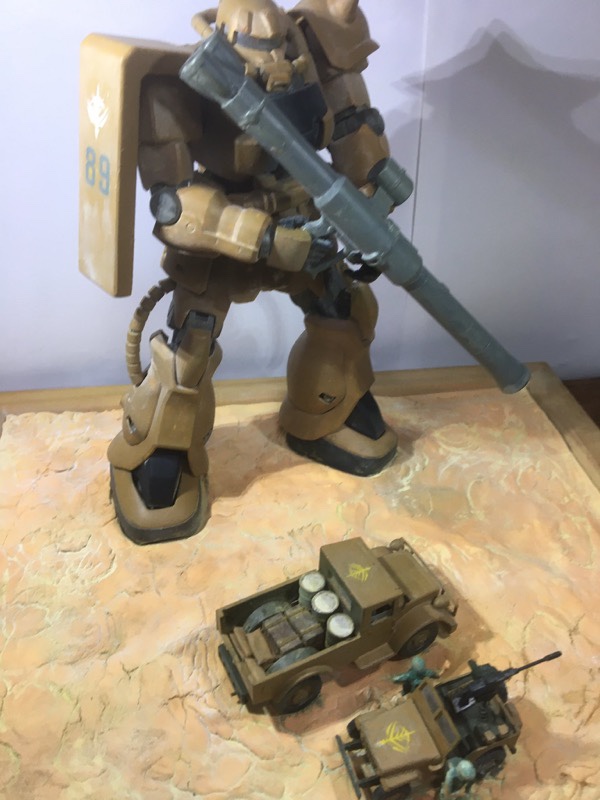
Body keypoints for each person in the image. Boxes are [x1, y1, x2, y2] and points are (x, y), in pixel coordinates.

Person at [87, 0, 402, 544]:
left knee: (344, 312)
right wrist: (261, 238)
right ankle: (162, 449)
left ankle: (327, 410)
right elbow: (174, 204)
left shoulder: (318, 45)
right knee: (190, 348)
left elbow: (354, 128)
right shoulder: (176, 76)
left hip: (305, 217)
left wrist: (370, 203)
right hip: (228, 231)